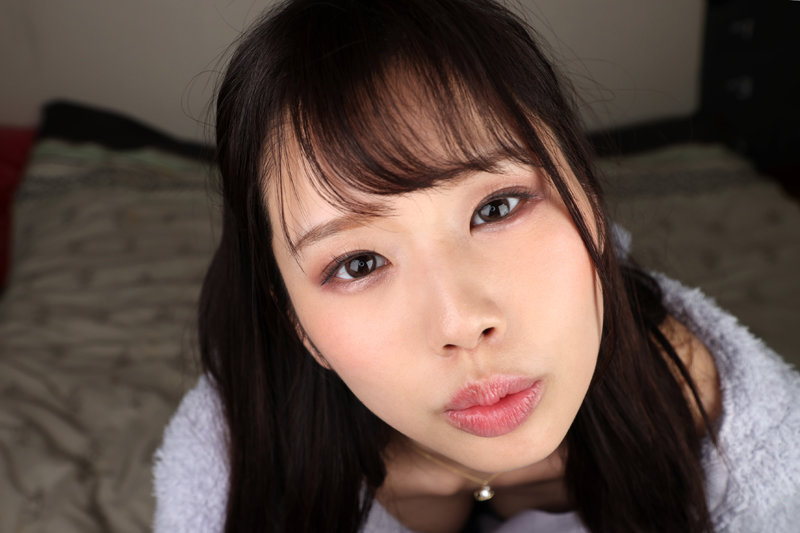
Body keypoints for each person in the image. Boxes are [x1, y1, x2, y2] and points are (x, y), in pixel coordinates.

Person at [153, 0, 800, 531]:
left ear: (590, 200)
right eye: (358, 262)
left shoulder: (716, 418)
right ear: (296, 321)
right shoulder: (238, 474)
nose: (462, 322)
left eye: (497, 207)